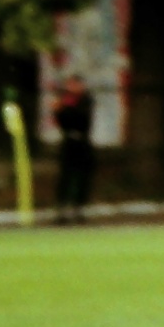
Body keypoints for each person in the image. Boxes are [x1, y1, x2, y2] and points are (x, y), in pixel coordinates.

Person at [52, 74, 95, 225]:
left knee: (83, 177)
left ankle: (79, 208)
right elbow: (62, 122)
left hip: (82, 143)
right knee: (66, 177)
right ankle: (62, 209)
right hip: (68, 143)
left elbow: (83, 120)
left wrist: (67, 108)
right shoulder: (64, 100)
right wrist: (59, 110)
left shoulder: (85, 100)